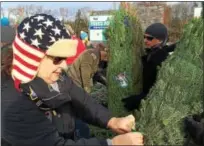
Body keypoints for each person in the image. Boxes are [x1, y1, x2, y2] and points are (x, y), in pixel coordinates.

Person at [1, 13, 144, 146]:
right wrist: (112, 143)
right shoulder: (12, 103)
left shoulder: (53, 77)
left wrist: (112, 121)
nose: (64, 66)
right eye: (57, 59)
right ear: (32, 57)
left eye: (64, 59)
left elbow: (82, 101)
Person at [122, 23, 176, 111]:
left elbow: (162, 90)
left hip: (153, 106)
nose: (145, 40)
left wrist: (140, 99)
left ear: (160, 39)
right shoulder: (151, 53)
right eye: (144, 37)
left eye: (149, 38)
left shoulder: (163, 60)